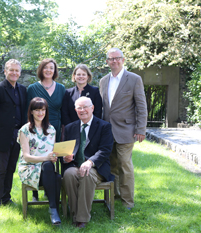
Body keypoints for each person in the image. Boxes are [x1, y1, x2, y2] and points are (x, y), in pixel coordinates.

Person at [99, 48, 147, 210]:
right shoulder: (103, 81)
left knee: (125, 166)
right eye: (111, 59)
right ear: (107, 62)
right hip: (107, 131)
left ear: (123, 60)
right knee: (112, 166)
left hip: (126, 130)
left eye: (117, 58)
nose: (114, 61)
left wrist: (141, 128)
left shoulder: (134, 79)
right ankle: (115, 195)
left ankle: (128, 202)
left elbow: (141, 106)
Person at [62, 97, 114, 229]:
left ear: (92, 108)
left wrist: (90, 162)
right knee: (68, 175)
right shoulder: (69, 128)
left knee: (86, 174)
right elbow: (65, 150)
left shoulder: (104, 126)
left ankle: (81, 219)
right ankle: (75, 214)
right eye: (79, 107)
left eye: (85, 107)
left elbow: (105, 150)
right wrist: (65, 157)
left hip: (97, 168)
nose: (82, 110)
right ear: (75, 110)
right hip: (75, 165)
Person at [0, 59, 27, 208]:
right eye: (11, 70)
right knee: (1, 169)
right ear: (5, 71)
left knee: (11, 168)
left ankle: (5, 198)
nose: (14, 73)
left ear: (20, 73)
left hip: (18, 135)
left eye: (17, 70)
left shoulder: (22, 90)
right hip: (1, 136)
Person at [18, 97, 62, 225]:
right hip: (29, 169)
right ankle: (54, 210)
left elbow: (52, 153)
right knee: (55, 175)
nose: (40, 113)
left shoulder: (51, 129)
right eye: (37, 110)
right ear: (31, 111)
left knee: (54, 173)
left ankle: (54, 210)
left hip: (46, 169)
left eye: (43, 110)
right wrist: (46, 158)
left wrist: (54, 157)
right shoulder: (24, 130)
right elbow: (26, 157)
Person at [27, 58, 65, 201]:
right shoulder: (32, 88)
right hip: (37, 129)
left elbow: (63, 110)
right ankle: (35, 192)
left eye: (51, 68)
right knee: (38, 157)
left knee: (54, 158)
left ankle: (52, 190)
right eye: (45, 67)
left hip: (56, 128)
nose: (48, 70)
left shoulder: (61, 88)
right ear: (41, 70)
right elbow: (28, 110)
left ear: (55, 71)